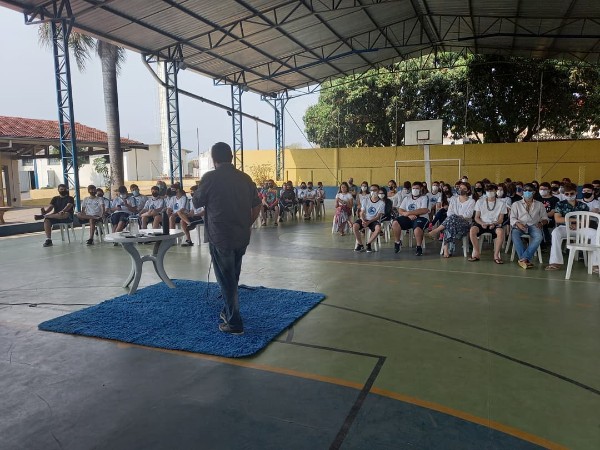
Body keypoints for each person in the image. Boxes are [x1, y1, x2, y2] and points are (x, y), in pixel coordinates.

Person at [193, 142, 261, 335]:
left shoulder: (210, 178)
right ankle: (229, 310)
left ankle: (234, 322)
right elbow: (257, 206)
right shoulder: (245, 178)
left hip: (220, 236)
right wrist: (246, 224)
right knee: (233, 275)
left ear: (214, 160)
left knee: (226, 280)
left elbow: (197, 202)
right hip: (241, 235)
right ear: (231, 157)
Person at [545, 182, 595, 271]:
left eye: (571, 193)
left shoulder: (583, 205)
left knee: (595, 233)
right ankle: (555, 262)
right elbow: (558, 219)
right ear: (564, 194)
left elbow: (587, 221)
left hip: (581, 228)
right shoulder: (560, 204)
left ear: (576, 192)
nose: (569, 195)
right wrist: (573, 221)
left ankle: (596, 264)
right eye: (566, 194)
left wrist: (577, 225)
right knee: (555, 232)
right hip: (564, 228)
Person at [427, 182, 475, 257]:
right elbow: (449, 213)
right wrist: (457, 217)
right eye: (460, 188)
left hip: (464, 225)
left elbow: (469, 215)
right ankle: (447, 249)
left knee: (452, 219)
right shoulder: (454, 200)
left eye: (464, 189)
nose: (461, 190)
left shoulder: (471, 201)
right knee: (450, 223)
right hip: (452, 223)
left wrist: (457, 217)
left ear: (468, 191)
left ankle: (437, 232)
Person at [510, 183, 548, 269]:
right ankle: (525, 259)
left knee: (539, 237)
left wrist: (541, 223)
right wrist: (518, 223)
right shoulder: (516, 204)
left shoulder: (539, 204)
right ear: (522, 192)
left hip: (534, 225)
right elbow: (512, 218)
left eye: (529, 190)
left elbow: (545, 218)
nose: (527, 192)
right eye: (525, 190)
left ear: (534, 192)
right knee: (515, 234)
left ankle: (523, 258)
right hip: (520, 224)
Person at [468, 184, 507, 263]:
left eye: (491, 190)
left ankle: (496, 255)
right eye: (488, 191)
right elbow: (476, 217)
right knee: (472, 230)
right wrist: (482, 223)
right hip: (482, 223)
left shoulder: (501, 203)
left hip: (494, 224)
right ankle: (476, 253)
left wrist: (494, 223)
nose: (489, 192)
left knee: (500, 232)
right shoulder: (480, 201)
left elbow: (501, 219)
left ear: (495, 191)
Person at [392, 181, 430, 255]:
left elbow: (424, 210)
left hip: (421, 218)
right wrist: (407, 215)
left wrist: (409, 213)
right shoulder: (407, 198)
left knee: (417, 228)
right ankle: (397, 242)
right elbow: (400, 210)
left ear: (421, 188)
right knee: (395, 223)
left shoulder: (424, 198)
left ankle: (419, 247)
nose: (415, 190)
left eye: (417, 188)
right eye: (413, 188)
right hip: (408, 218)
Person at [352, 184, 384, 252]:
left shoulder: (381, 203)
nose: (373, 192)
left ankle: (368, 243)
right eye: (371, 190)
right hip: (364, 219)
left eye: (375, 190)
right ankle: (360, 245)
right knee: (355, 226)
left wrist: (369, 222)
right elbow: (362, 212)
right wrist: (363, 220)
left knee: (378, 229)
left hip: (373, 220)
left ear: (378, 191)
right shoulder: (365, 200)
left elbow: (378, 216)